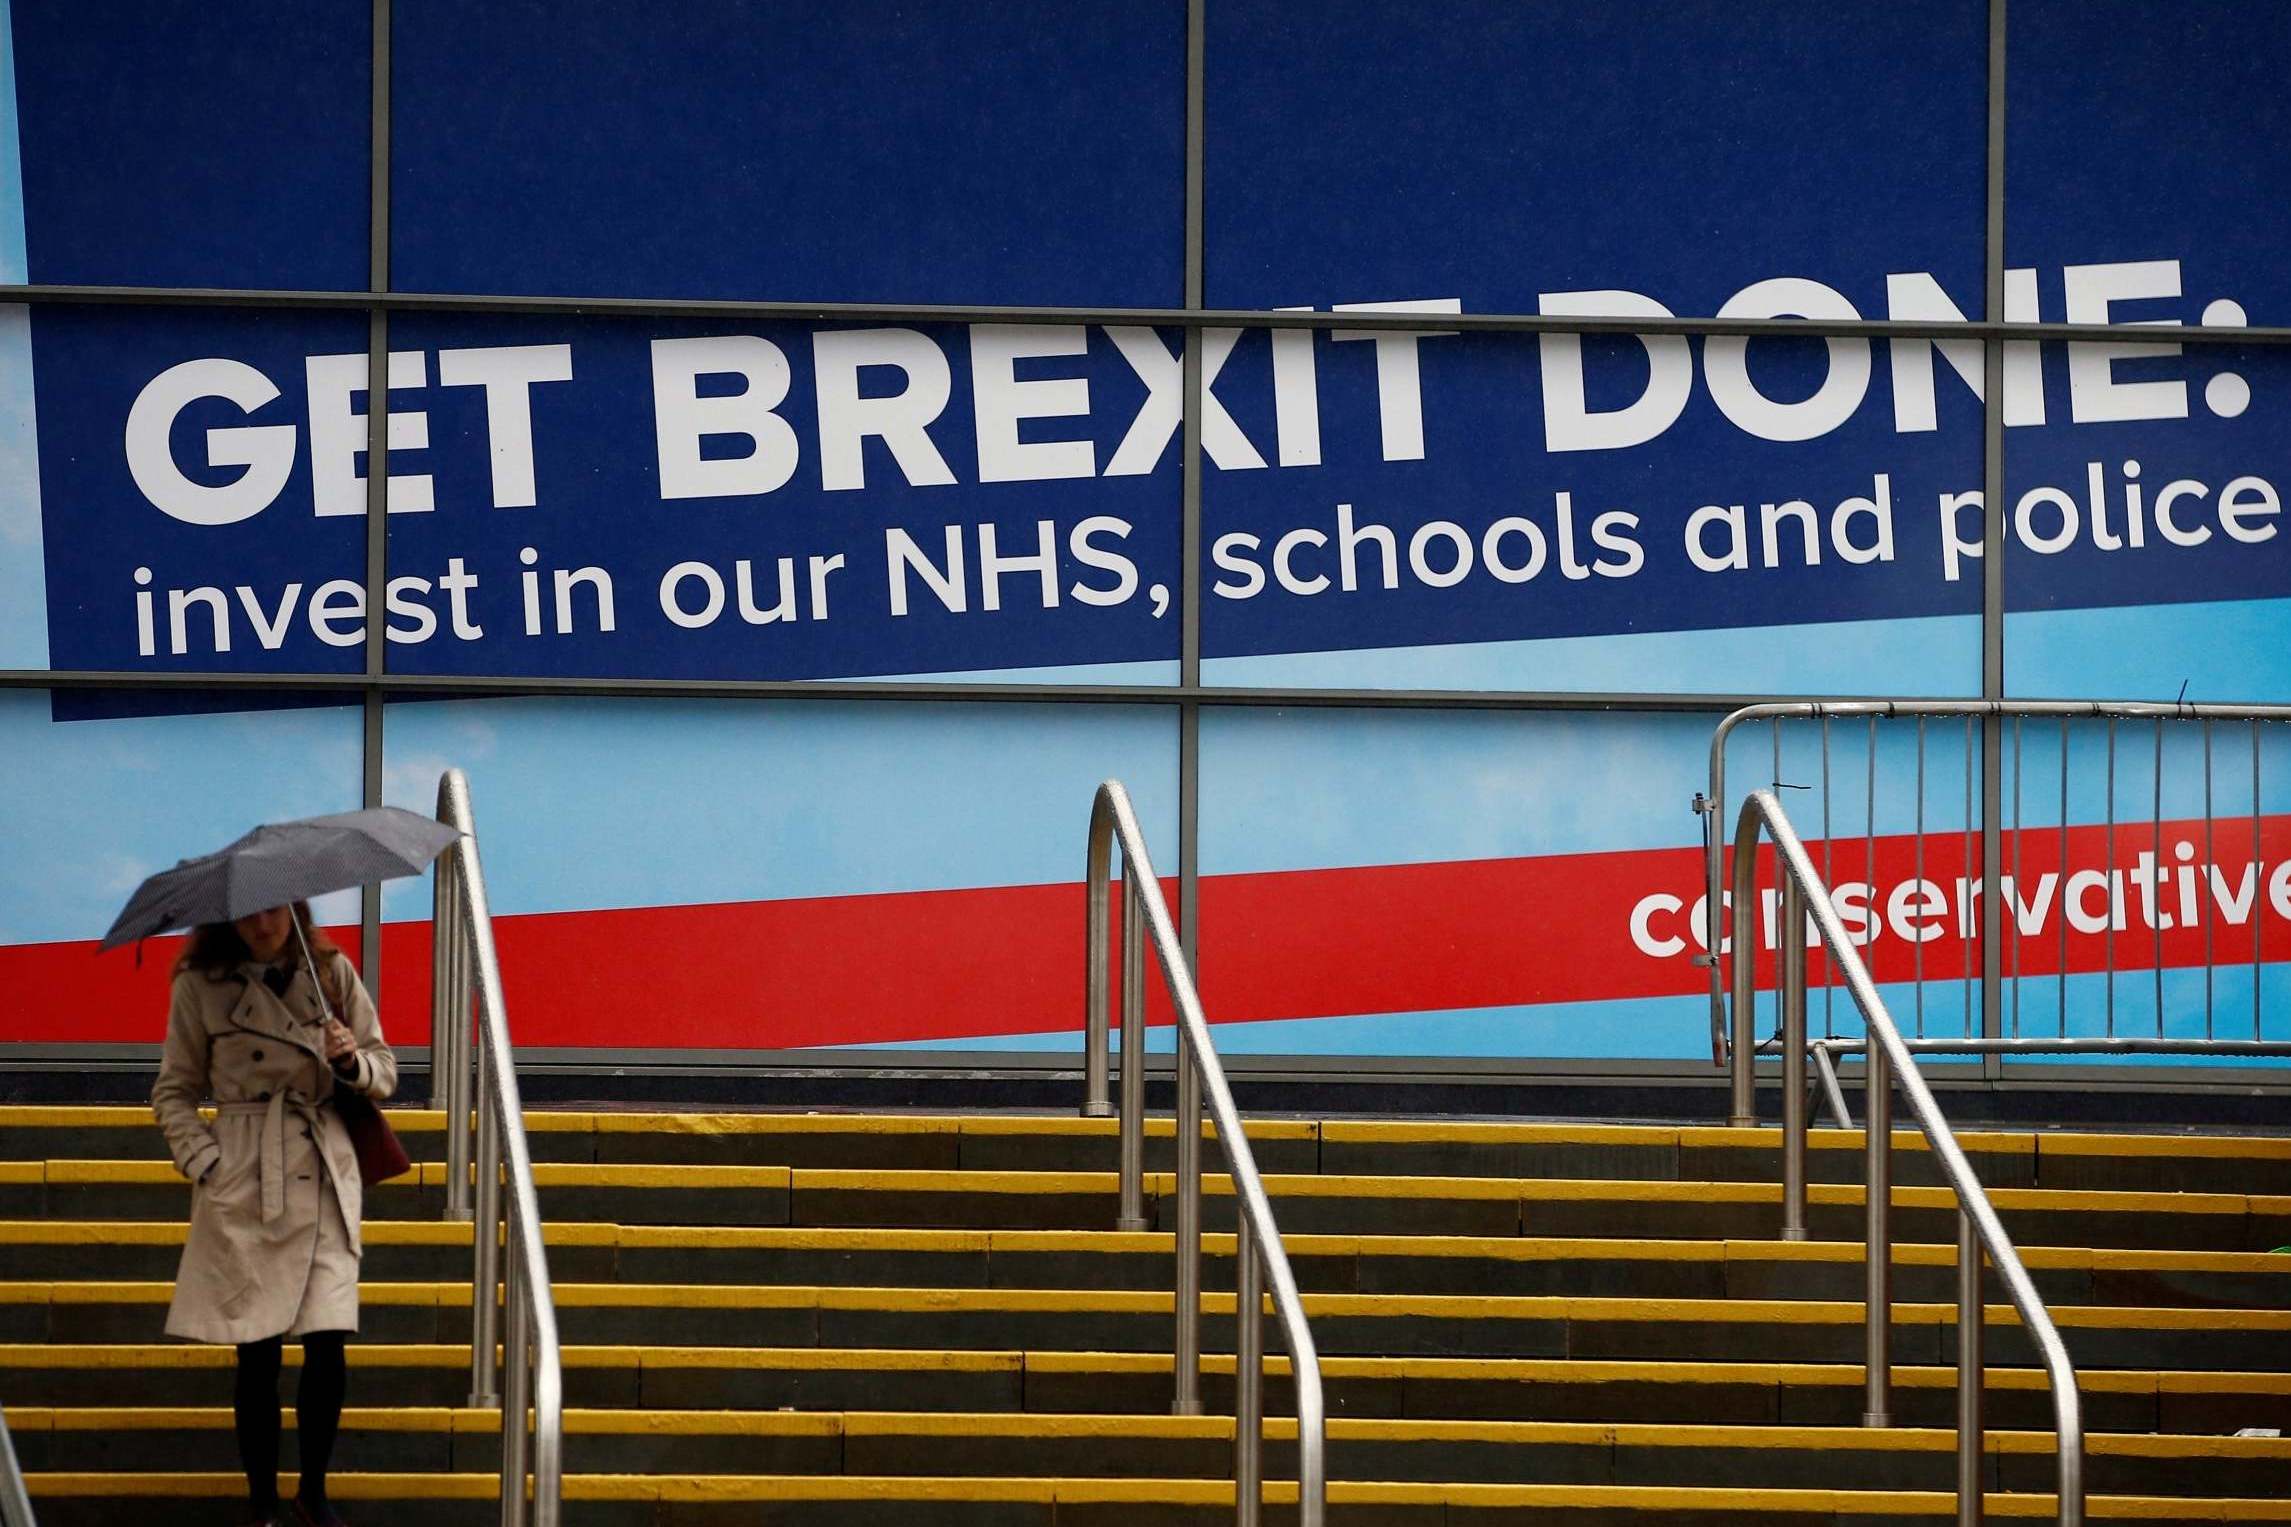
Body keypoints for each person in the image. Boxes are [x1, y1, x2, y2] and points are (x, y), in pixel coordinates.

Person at [151, 902, 397, 1527]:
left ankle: (312, 1494)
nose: (264, 926)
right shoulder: (197, 985)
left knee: (328, 1342)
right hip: (246, 1173)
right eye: (248, 917)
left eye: (275, 913)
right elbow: (173, 1089)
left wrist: (348, 1061)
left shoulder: (331, 971)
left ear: (296, 909)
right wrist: (206, 1161)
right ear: (226, 921)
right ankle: (261, 1503)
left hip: (320, 1170)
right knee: (256, 1353)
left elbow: (384, 1072)